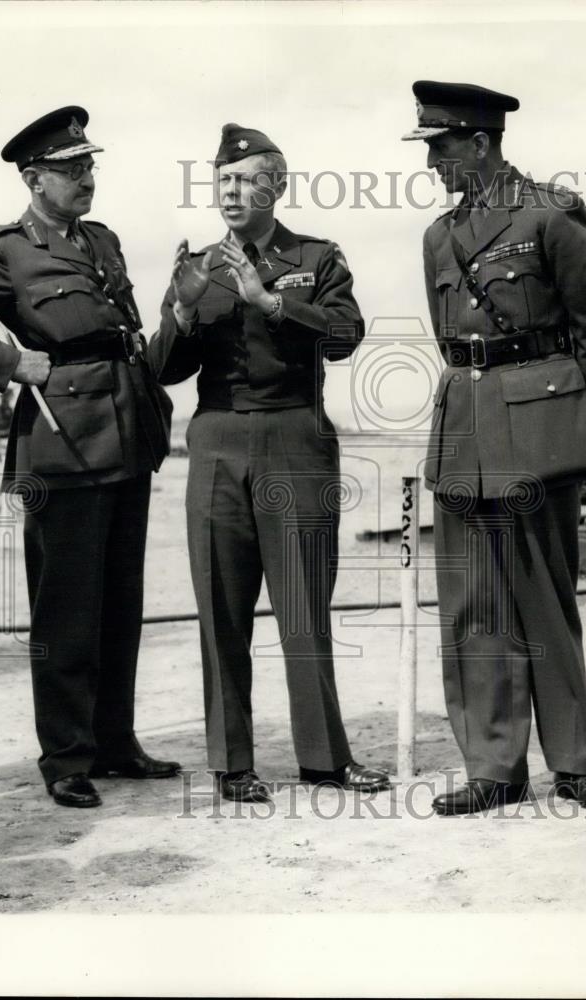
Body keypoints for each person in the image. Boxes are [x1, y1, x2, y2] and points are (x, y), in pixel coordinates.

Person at [0, 105, 179, 808]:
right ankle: (66, 756)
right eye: (69, 169)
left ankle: (116, 741)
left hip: (128, 432)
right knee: (65, 609)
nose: (85, 178)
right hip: (62, 442)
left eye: (89, 165)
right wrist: (4, 362)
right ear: (34, 179)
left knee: (121, 602)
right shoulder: (4, 250)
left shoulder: (103, 240)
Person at [401, 81, 586, 814]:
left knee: (545, 596)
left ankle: (574, 762)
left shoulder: (550, 215)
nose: (431, 162)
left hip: (538, 431)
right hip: (465, 425)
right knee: (474, 604)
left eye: (439, 147)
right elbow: (450, 342)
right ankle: (495, 768)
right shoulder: (438, 236)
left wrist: (572, 431)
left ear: (479, 142)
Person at [151, 123, 389, 802]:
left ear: (275, 185)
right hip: (218, 445)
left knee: (303, 609)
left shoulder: (317, 256)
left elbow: (345, 335)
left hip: (295, 442)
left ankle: (324, 759)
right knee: (220, 609)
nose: (229, 190)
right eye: (220, 180)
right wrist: (180, 311)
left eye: (244, 178)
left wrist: (271, 301)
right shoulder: (196, 266)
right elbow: (163, 369)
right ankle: (231, 765)